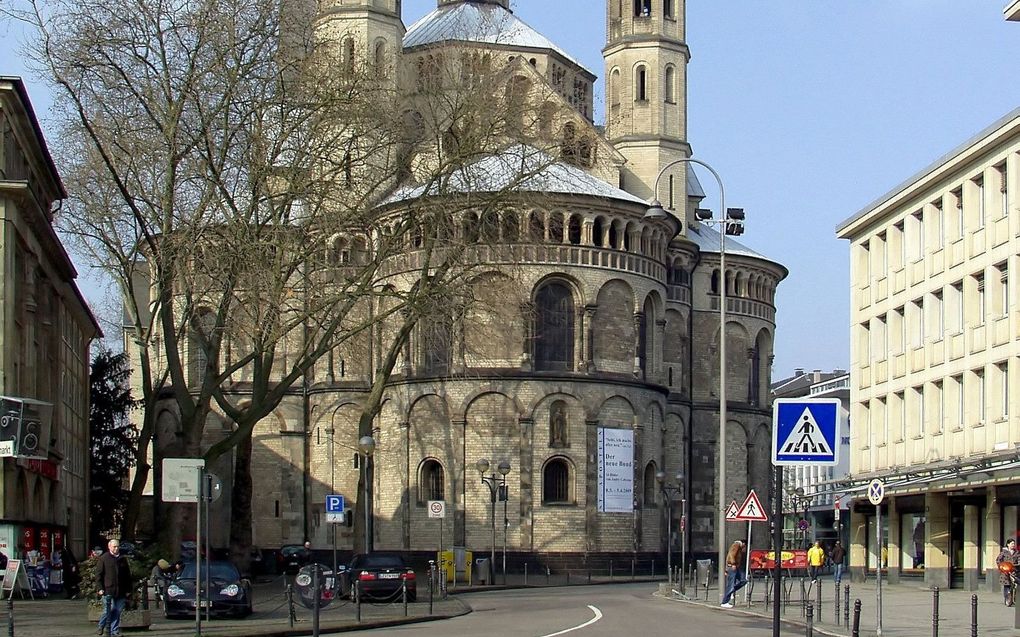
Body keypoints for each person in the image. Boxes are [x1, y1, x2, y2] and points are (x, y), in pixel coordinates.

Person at [96, 539, 133, 637]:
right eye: (114, 546)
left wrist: (129, 590)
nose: (116, 548)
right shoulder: (104, 558)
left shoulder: (122, 559)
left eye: (117, 546)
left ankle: (114, 631)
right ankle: (101, 625)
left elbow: (127, 576)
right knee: (110, 608)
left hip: (121, 590)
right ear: (109, 547)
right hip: (108, 590)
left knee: (118, 611)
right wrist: (100, 588)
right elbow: (99, 575)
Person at [720, 540, 746, 608]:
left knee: (743, 580)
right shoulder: (736, 545)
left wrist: (726, 569)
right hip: (732, 567)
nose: (744, 548)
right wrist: (733, 563)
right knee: (730, 585)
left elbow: (728, 556)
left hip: (735, 567)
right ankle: (725, 601)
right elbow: (731, 554)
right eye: (744, 546)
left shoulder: (737, 546)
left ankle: (731, 590)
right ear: (743, 543)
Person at [997, 538, 1020, 606]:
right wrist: (1002, 567)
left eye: (1014, 543)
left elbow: (1019, 559)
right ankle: (1007, 599)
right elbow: (998, 560)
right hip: (1005, 572)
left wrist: (1016, 565)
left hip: (1014, 571)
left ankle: (1013, 599)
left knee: (1014, 586)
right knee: (1007, 586)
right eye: (1012, 543)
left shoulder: (1017, 552)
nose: (1013, 545)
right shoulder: (1004, 552)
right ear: (1008, 544)